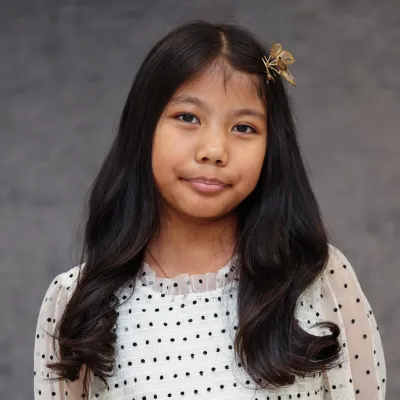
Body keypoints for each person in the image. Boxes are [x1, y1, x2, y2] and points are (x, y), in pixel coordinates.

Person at [33, 20, 386, 399]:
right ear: (143, 128)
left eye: (244, 127)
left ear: (271, 148)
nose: (214, 150)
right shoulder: (76, 301)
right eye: (188, 117)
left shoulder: (317, 277)